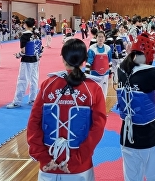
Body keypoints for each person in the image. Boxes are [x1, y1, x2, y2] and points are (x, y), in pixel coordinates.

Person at [27, 39, 107, 181]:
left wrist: (44, 157)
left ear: (63, 58)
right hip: (79, 168)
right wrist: (77, 159)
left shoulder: (48, 85)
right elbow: (98, 128)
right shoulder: (93, 88)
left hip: (48, 166)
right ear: (84, 60)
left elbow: (34, 122)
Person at [116, 32, 155, 181]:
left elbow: (130, 62)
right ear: (151, 52)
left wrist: (129, 54)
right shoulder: (149, 73)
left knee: (132, 178)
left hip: (127, 135)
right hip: (150, 136)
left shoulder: (121, 70)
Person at [7, 18, 43, 108]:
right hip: (36, 59)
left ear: (25, 25)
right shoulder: (37, 34)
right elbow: (40, 48)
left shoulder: (24, 35)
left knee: (23, 80)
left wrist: (17, 55)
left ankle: (17, 101)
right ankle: (33, 99)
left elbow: (23, 51)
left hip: (27, 59)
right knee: (34, 80)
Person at [85, 30, 113, 97]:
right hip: (94, 74)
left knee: (104, 91)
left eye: (102, 37)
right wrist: (86, 74)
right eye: (99, 37)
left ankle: (103, 105)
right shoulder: (92, 48)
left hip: (105, 74)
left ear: (104, 38)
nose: (100, 38)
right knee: (95, 92)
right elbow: (89, 62)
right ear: (96, 38)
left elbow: (110, 61)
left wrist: (110, 72)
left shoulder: (108, 48)